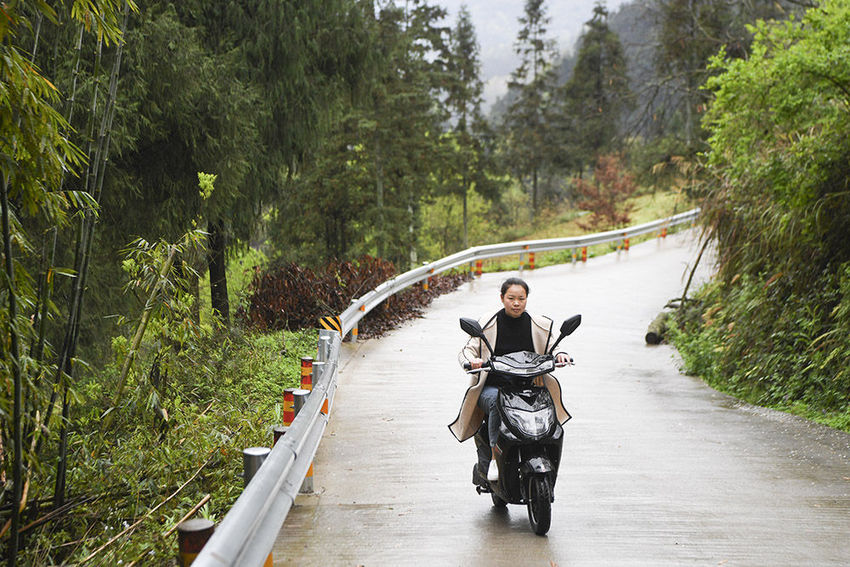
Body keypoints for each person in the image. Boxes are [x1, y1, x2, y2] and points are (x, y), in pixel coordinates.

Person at [449, 277, 571, 484]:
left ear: (526, 299)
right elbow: (467, 350)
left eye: (521, 298)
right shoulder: (487, 324)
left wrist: (561, 355)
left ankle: (545, 455)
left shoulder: (538, 325)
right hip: (492, 388)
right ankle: (496, 459)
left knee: (549, 410)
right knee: (498, 401)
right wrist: (473, 361)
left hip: (529, 388)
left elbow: (553, 346)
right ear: (502, 298)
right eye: (511, 298)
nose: (516, 303)